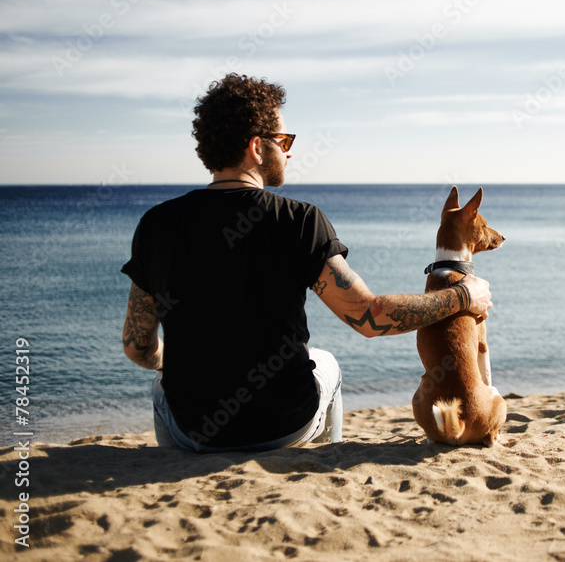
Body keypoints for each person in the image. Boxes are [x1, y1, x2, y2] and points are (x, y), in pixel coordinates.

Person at [120, 73, 493, 452]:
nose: (290, 151)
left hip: (192, 432)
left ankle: (174, 458)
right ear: (256, 147)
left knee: (163, 383)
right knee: (326, 362)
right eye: (284, 141)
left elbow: (137, 347)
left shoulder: (156, 224)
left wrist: (174, 363)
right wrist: (463, 297)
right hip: (284, 426)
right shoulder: (299, 221)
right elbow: (370, 316)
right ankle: (328, 452)